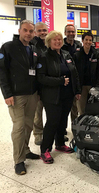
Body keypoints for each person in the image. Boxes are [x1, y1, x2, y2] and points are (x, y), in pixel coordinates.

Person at [0, 20, 40, 175]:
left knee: (28, 125)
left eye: (31, 31)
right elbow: (1, 72)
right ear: (20, 30)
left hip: (32, 94)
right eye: (25, 30)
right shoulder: (8, 47)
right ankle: (19, 160)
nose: (28, 33)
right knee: (19, 127)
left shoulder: (33, 49)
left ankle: (26, 150)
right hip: (16, 95)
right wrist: (7, 94)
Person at [37, 31, 81, 164]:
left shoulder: (66, 54)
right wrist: (60, 81)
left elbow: (74, 73)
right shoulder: (44, 57)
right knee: (53, 122)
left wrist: (77, 90)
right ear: (49, 41)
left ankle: (60, 144)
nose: (57, 42)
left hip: (67, 95)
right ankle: (45, 149)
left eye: (59, 39)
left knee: (63, 120)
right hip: (52, 96)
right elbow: (41, 78)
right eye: (54, 40)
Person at [74, 31, 99, 115]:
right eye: (86, 40)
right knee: (81, 109)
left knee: (93, 109)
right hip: (81, 86)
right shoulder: (77, 55)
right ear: (82, 40)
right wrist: (77, 88)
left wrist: (97, 86)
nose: (88, 42)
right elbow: (74, 72)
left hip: (92, 85)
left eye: (90, 40)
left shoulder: (96, 54)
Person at [31, 22, 48, 145]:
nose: (43, 33)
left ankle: (50, 133)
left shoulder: (49, 44)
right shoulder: (32, 45)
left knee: (51, 111)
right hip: (36, 85)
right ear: (36, 32)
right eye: (40, 30)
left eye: (44, 30)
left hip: (48, 84)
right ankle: (38, 134)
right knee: (38, 112)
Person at [62, 24, 83, 124]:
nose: (71, 34)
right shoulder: (60, 45)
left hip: (75, 78)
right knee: (64, 107)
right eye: (69, 32)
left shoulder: (78, 45)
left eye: (73, 32)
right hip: (64, 79)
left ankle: (75, 126)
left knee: (75, 106)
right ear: (65, 33)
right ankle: (63, 128)